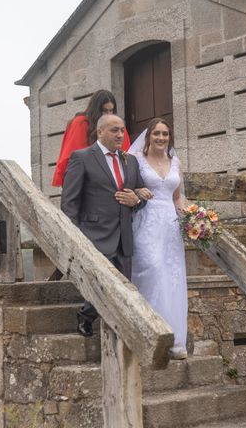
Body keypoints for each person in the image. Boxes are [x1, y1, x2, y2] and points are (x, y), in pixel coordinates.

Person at [61, 114, 146, 337]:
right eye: (114, 130)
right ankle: (87, 315)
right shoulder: (81, 157)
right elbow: (69, 202)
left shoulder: (131, 161)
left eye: (122, 130)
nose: (120, 135)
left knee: (123, 286)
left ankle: (92, 317)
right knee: (103, 283)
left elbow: (142, 192)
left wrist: (137, 200)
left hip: (125, 235)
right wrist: (73, 236)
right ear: (100, 132)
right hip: (94, 234)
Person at [129, 118, 189, 359]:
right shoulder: (136, 160)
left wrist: (190, 217)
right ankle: (148, 334)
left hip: (170, 225)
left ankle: (174, 340)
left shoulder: (176, 162)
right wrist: (136, 192)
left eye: (165, 134)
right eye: (156, 133)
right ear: (149, 136)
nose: (161, 138)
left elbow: (177, 196)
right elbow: (127, 187)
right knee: (151, 270)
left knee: (172, 277)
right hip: (146, 221)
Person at [52, 90, 131, 187]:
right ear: (96, 109)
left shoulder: (118, 126)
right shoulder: (80, 123)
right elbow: (74, 157)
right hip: (87, 181)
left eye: (111, 110)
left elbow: (126, 156)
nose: (108, 114)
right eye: (104, 110)